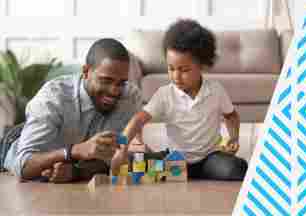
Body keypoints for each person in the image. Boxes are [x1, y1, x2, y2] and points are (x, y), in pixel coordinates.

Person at [121, 19, 248, 180]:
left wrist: (234, 138)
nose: (176, 76)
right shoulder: (164, 94)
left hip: (210, 159)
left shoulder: (216, 90)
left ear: (201, 65)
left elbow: (231, 116)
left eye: (184, 70)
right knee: (134, 161)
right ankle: (174, 170)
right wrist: (122, 147)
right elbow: (138, 119)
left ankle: (182, 174)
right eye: (171, 68)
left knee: (237, 168)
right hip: (176, 160)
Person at [4, 38, 145, 183]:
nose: (114, 91)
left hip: (65, 165)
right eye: (106, 81)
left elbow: (124, 156)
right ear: (86, 71)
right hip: (17, 146)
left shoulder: (130, 98)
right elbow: (23, 166)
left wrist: (78, 171)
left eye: (121, 83)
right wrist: (74, 151)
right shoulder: (53, 98)